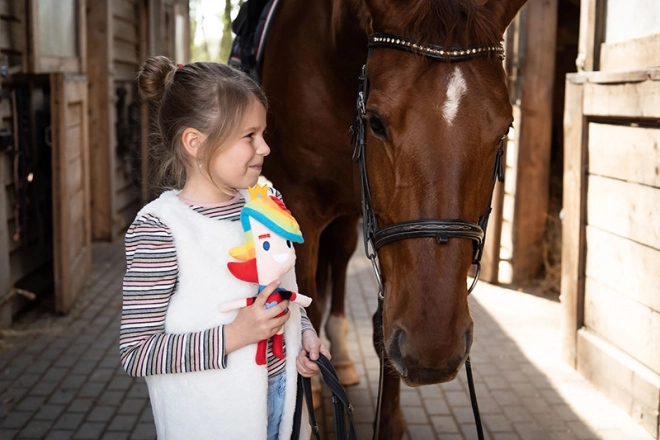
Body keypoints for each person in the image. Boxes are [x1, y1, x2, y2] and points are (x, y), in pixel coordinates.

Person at [119, 56, 328, 440]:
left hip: (282, 410)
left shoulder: (267, 200)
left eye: (262, 133)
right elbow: (137, 352)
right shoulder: (161, 229)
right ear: (196, 143)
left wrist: (305, 335)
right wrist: (235, 335)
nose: (264, 147)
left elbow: (286, 294)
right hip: (208, 422)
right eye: (249, 136)